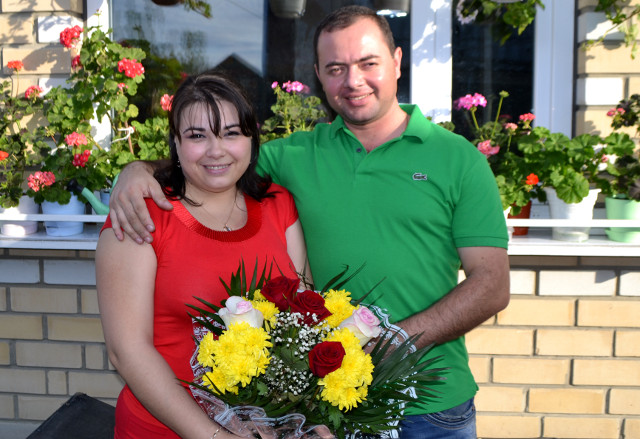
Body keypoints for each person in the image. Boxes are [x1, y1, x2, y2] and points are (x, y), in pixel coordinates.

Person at [107, 6, 510, 438]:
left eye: (368, 63)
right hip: (325, 412)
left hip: (431, 408)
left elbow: (492, 284)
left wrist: (394, 340)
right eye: (336, 68)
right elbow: (216, 160)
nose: (353, 80)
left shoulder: (459, 160)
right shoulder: (293, 156)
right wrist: (136, 171)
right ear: (318, 74)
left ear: (396, 61)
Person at [96, 71, 311, 439]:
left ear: (252, 138)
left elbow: (306, 317)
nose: (216, 150)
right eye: (197, 136)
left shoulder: (278, 204)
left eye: (231, 133)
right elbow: (127, 352)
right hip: (165, 430)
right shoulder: (142, 216)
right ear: (176, 143)